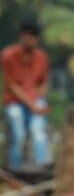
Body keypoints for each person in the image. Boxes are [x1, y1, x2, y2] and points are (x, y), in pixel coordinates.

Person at [3, 20, 50, 168]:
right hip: (15, 102)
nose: (31, 40)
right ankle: (15, 168)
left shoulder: (41, 57)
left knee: (39, 132)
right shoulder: (8, 56)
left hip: (35, 100)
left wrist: (38, 101)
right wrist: (32, 105)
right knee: (18, 134)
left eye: (34, 37)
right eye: (29, 36)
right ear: (22, 36)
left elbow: (42, 83)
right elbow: (12, 86)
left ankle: (42, 166)